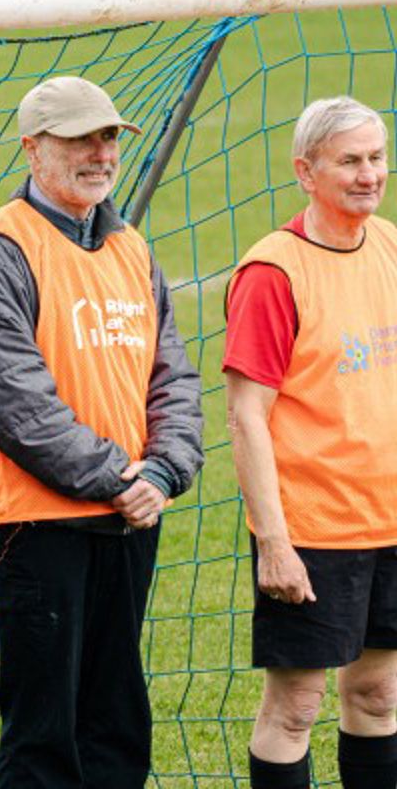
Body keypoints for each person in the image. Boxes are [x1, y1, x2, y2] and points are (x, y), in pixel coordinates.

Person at [0, 76, 204, 788]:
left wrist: (163, 472)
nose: (101, 153)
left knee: (116, 724)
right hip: (39, 530)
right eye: (79, 139)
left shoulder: (130, 246)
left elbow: (174, 377)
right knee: (45, 737)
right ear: (32, 149)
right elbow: (13, 399)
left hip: (131, 519)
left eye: (109, 136)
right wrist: (118, 479)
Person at [224, 95, 397, 789]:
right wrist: (275, 542)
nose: (369, 174)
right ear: (305, 171)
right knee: (295, 706)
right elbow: (245, 417)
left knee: (378, 694)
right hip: (314, 529)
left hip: (389, 520)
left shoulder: (389, 245)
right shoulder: (273, 272)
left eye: (377, 157)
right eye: (349, 161)